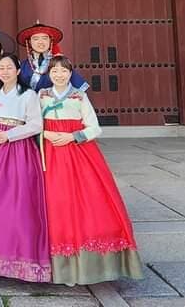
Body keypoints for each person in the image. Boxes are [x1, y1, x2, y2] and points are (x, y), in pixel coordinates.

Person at [40, 56, 143, 285]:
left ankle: (90, 263)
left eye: (63, 71)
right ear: (49, 74)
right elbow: (35, 123)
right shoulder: (42, 95)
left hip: (78, 153)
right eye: (54, 71)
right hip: (49, 153)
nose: (59, 75)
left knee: (87, 201)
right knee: (55, 203)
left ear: (70, 73)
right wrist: (46, 134)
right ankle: (58, 265)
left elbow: (94, 127)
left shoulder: (79, 96)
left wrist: (72, 136)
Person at [0, 53, 51, 283]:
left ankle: (21, 259)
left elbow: (36, 124)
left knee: (19, 204)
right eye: (1, 68)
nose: (5, 71)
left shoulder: (28, 95)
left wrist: (8, 135)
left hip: (18, 151)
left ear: (18, 71)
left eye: (10, 67)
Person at [16, 22, 88, 93]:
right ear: (29, 42)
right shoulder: (22, 66)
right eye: (36, 39)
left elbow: (79, 89)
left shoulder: (61, 62)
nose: (40, 42)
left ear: (50, 41)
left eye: (44, 38)